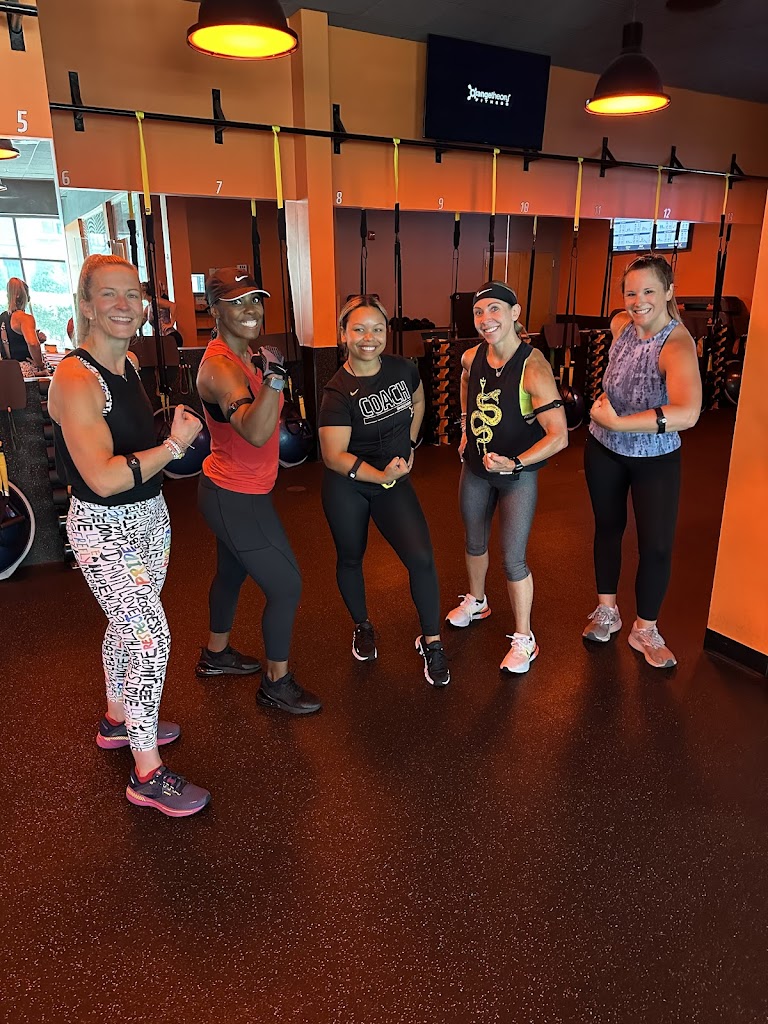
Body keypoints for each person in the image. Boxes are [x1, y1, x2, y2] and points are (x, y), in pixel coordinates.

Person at [47, 254, 210, 817]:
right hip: (102, 526)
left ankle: (118, 718)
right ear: (87, 305)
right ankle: (146, 773)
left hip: (149, 517)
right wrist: (175, 445)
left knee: (127, 626)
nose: (123, 305)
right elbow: (103, 476)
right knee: (148, 637)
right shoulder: (75, 378)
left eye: (133, 294)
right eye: (109, 294)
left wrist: (164, 448)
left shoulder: (131, 364)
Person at [195, 268, 322, 715]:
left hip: (237, 489)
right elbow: (254, 430)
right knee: (286, 585)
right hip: (234, 495)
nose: (251, 309)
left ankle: (216, 655)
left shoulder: (247, 355)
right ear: (215, 310)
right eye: (237, 302)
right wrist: (274, 380)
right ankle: (276, 683)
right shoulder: (219, 368)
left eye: (255, 299)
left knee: (231, 574)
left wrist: (267, 373)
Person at [318, 294, 450, 687]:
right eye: (358, 329)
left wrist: (410, 444)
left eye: (377, 329)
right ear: (343, 334)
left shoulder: (402, 369)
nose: (369, 337)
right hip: (349, 486)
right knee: (351, 558)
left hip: (392, 481)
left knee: (422, 558)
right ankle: (362, 625)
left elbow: (419, 400)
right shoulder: (337, 391)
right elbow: (333, 456)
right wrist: (378, 475)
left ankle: (432, 642)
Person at [583, 254, 701, 668]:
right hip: (604, 449)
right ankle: (607, 611)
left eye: (649, 291)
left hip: (655, 458)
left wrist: (619, 422)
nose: (638, 301)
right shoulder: (621, 325)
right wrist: (609, 423)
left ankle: (645, 629)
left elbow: (688, 412)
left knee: (656, 545)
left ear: (669, 292)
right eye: (631, 292)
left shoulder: (677, 344)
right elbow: (619, 320)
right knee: (608, 528)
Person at [446, 282, 568, 674]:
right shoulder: (472, 357)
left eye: (494, 309)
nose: (486, 319)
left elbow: (559, 436)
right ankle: (478, 601)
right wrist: (465, 425)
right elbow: (465, 381)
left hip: (517, 477)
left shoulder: (533, 368)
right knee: (473, 541)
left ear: (515, 313)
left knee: (514, 559)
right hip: (476, 469)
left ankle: (525, 638)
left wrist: (515, 463)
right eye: (479, 312)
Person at [0, 277, 46, 375]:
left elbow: (12, 341)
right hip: (25, 371)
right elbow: (33, 344)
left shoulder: (2, 318)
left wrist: (37, 338)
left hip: (6, 371)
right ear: (26, 297)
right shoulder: (25, 318)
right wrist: (41, 365)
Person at [142, 281, 183, 347]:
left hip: (171, 336)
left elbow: (173, 305)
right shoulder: (147, 308)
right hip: (163, 338)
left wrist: (171, 323)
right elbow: (141, 322)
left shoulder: (157, 301)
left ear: (144, 292)